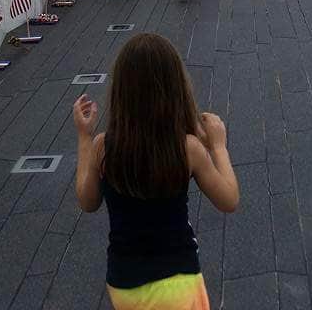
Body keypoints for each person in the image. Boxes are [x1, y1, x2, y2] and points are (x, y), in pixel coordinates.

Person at [73, 32, 239, 310]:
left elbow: (87, 202)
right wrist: (219, 146)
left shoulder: (104, 146)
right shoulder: (187, 148)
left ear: (121, 92)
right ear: (176, 88)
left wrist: (84, 137)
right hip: (177, 282)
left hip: (124, 282)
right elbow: (229, 199)